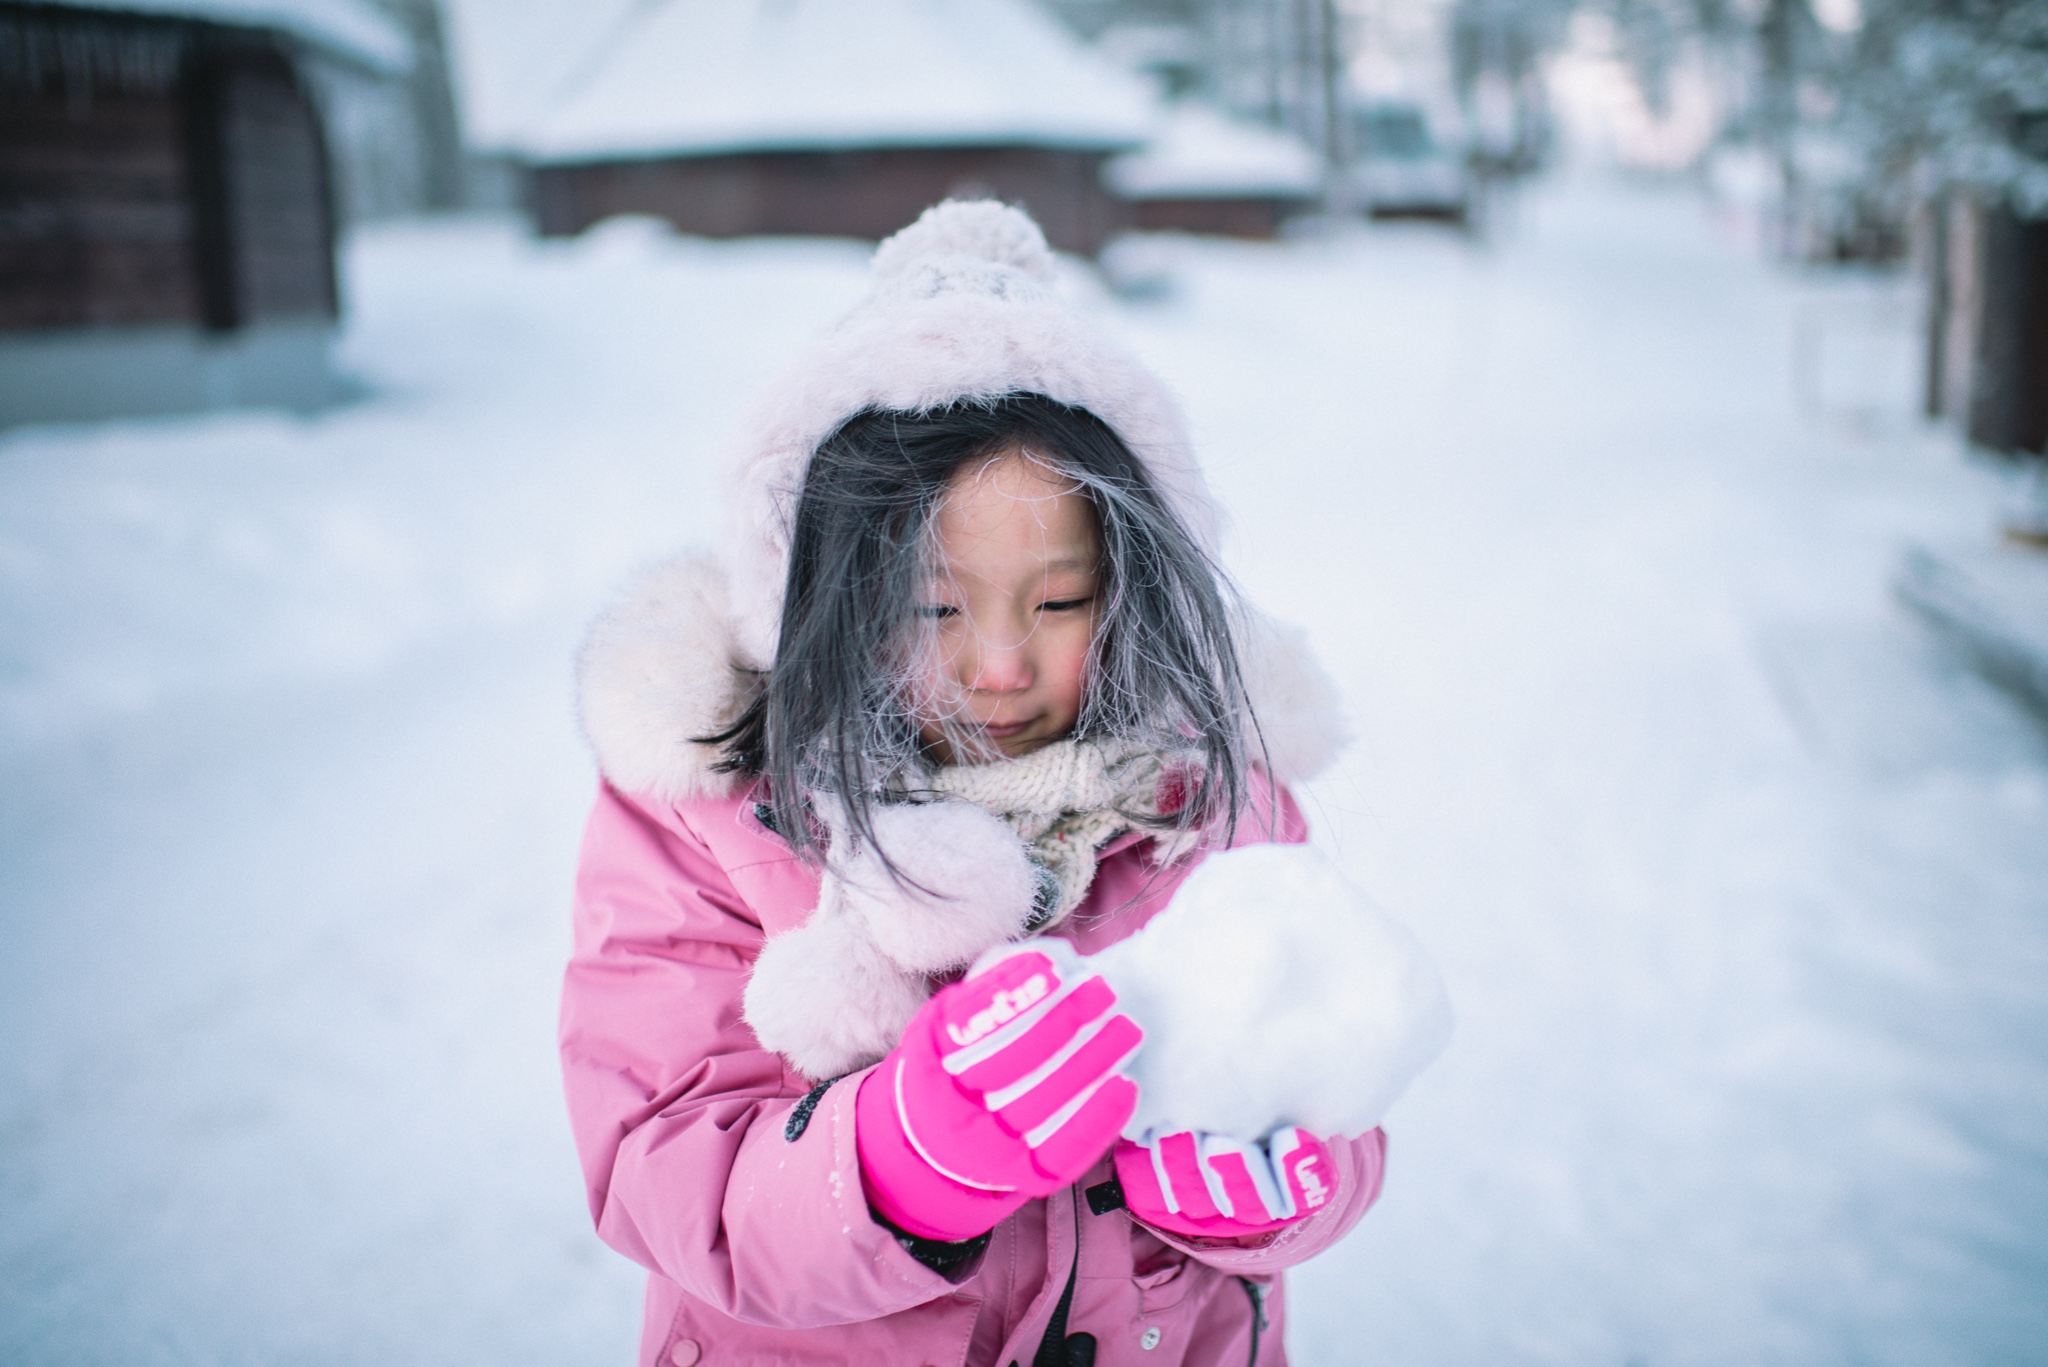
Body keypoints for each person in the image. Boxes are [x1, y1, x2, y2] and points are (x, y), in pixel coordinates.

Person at [561, 201, 1383, 1367]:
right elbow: (659, 1159)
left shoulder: (1215, 799)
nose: (998, 665)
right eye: (931, 605)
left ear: (1131, 579)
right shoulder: (707, 810)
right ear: (824, 585)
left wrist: (1285, 1185)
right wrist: (895, 1163)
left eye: (1056, 602)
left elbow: (1342, 1081)